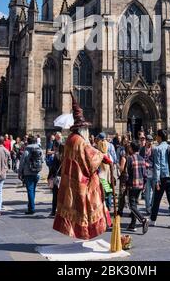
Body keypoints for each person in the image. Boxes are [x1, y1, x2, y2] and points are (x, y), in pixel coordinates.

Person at [53, 92, 112, 239]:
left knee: (72, 209)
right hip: (80, 181)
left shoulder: (70, 140)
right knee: (90, 204)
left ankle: (73, 230)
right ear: (82, 129)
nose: (87, 131)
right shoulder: (80, 141)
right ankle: (88, 231)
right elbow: (91, 155)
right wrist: (105, 158)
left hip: (69, 180)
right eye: (86, 129)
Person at [150, 129, 170, 229]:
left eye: (156, 135)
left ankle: (153, 220)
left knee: (157, 199)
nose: (156, 137)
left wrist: (157, 181)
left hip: (162, 178)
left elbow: (157, 166)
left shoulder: (157, 149)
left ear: (159, 137)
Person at [126, 141, 149, 234]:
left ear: (131, 148)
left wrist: (126, 184)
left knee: (131, 206)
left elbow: (127, 173)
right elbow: (145, 174)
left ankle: (143, 220)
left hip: (132, 185)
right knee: (134, 204)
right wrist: (144, 184)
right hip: (140, 185)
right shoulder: (142, 159)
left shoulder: (130, 159)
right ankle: (132, 224)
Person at [18, 135, 43, 215]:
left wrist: (20, 173)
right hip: (37, 172)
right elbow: (42, 161)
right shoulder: (40, 149)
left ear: (28, 142)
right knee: (33, 190)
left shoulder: (26, 150)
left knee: (30, 191)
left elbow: (22, 163)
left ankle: (31, 208)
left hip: (28, 173)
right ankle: (30, 206)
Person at [47, 141, 64, 217]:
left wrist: (49, 176)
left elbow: (53, 168)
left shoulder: (56, 156)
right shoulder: (66, 156)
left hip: (57, 178)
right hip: (64, 178)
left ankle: (54, 211)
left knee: (55, 195)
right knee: (63, 196)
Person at [140, 134, 155, 214]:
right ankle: (148, 208)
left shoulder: (154, 149)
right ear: (146, 141)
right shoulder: (142, 149)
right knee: (147, 191)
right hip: (145, 173)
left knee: (155, 191)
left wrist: (150, 165)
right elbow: (140, 159)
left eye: (151, 141)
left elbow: (155, 161)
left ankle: (152, 206)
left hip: (152, 172)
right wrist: (143, 164)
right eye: (149, 141)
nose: (150, 142)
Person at [97, 139, 113, 211]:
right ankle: (108, 205)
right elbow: (112, 163)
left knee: (103, 193)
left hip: (102, 176)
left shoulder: (99, 155)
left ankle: (105, 205)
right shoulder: (108, 155)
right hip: (107, 176)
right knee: (108, 191)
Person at [117, 135, 129, 216]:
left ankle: (120, 210)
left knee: (122, 193)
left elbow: (121, 168)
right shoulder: (132, 156)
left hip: (124, 176)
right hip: (129, 177)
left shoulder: (124, 158)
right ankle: (132, 211)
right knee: (128, 194)